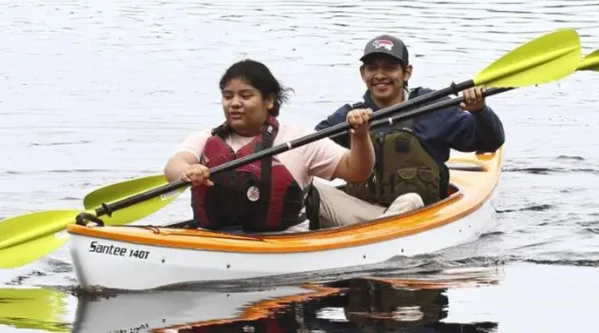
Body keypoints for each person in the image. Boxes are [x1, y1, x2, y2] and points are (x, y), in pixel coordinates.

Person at [306, 34, 506, 229]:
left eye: (390, 68)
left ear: (406, 72)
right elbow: (311, 153)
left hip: (420, 216)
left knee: (410, 200)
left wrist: (479, 110)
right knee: (307, 188)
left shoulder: (431, 107)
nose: (380, 75)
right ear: (362, 73)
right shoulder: (350, 115)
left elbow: (490, 141)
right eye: (372, 68)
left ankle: (376, 238)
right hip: (361, 217)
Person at [163, 59, 375, 234]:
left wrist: (360, 135)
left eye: (246, 96)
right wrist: (188, 171)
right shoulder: (204, 139)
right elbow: (174, 167)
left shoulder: (299, 138)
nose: (234, 103)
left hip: (284, 242)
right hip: (215, 238)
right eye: (228, 97)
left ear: (269, 101)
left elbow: (356, 170)